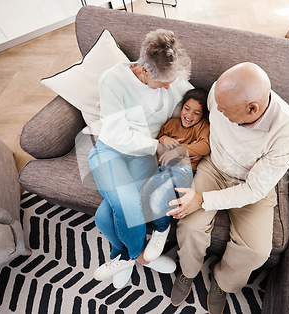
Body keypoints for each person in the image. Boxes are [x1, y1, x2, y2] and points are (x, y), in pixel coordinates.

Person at [167, 62, 289, 313]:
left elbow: (254, 190)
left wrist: (203, 199)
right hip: (214, 168)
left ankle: (222, 282)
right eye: (217, 103)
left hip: (252, 184)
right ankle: (188, 271)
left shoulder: (288, 131)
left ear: (252, 109)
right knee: (189, 225)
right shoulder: (219, 94)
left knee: (257, 250)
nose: (217, 110)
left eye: (225, 109)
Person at [88, 28, 193, 289]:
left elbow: (198, 98)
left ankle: (121, 256)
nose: (169, 87)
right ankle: (136, 257)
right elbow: (117, 134)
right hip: (110, 150)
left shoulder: (170, 77)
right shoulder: (112, 80)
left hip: (143, 156)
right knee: (128, 205)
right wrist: (157, 146)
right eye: (164, 83)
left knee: (103, 217)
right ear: (145, 70)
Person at [140, 88, 210, 263]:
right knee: (144, 194)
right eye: (187, 108)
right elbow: (161, 137)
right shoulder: (171, 124)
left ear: (202, 115)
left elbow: (205, 146)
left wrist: (181, 150)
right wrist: (164, 140)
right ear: (182, 107)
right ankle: (137, 245)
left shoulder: (203, 127)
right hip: (162, 169)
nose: (189, 115)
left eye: (196, 113)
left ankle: (161, 229)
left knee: (157, 199)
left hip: (183, 170)